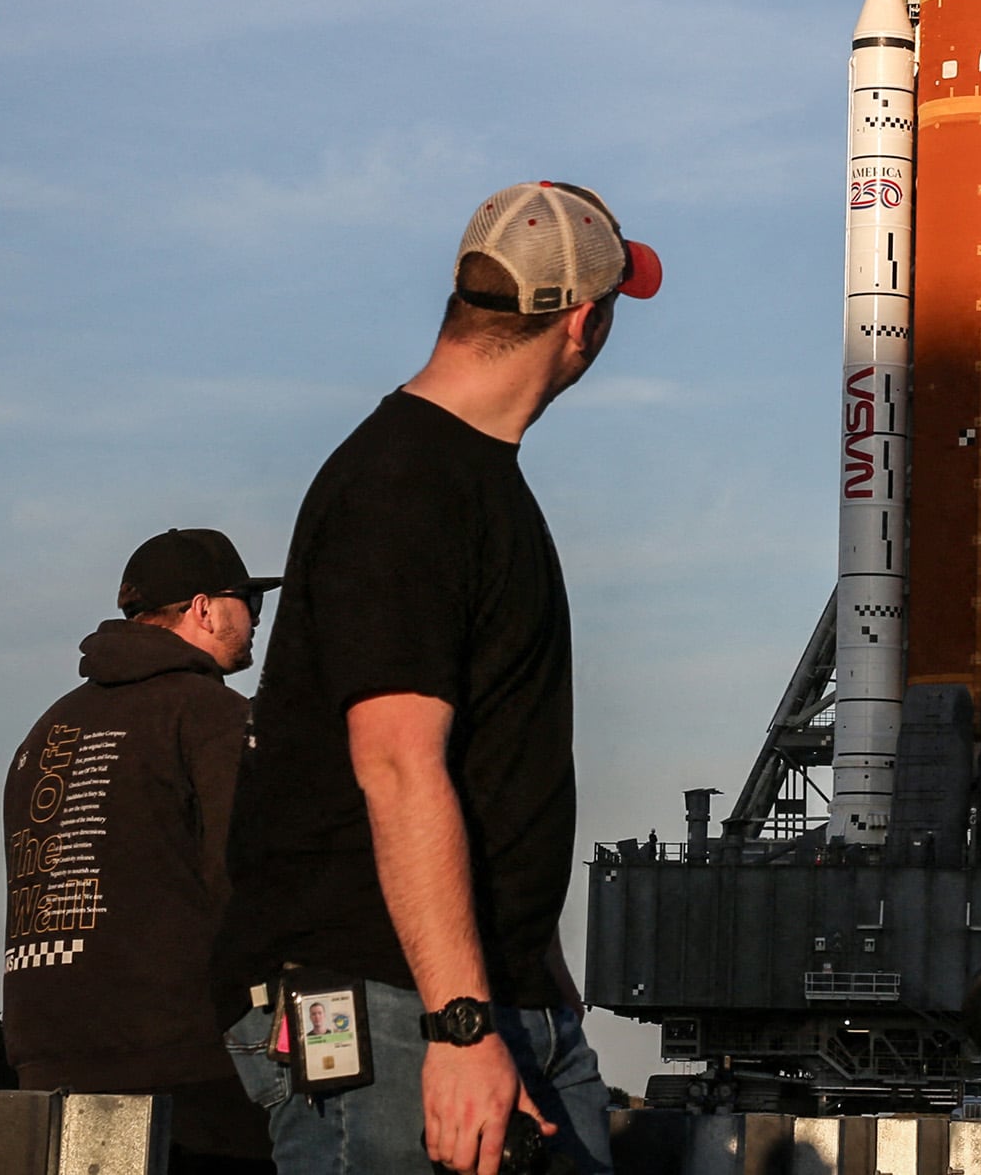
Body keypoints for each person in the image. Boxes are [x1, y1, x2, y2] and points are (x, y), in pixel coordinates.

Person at [218, 184, 662, 1175]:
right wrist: (461, 1026)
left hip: (493, 1002)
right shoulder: (406, 483)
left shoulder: (468, 479)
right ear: (584, 323)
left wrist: (529, 971)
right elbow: (396, 761)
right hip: (394, 1011)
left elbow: (483, 759)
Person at [5, 530, 284, 1175]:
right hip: (191, 1075)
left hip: (49, 1064)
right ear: (204, 608)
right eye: (249, 602)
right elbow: (251, 880)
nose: (256, 621)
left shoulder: (49, 731)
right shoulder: (214, 717)